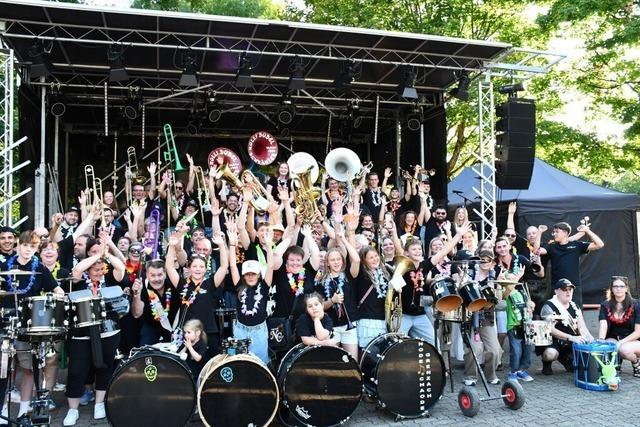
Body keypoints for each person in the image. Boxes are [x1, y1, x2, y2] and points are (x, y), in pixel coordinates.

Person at [0, 231, 64, 419]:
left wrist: (52, 299)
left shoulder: (40, 269)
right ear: (18, 245)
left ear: (36, 249)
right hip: (6, 323)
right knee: (3, 370)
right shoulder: (4, 266)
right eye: (25, 245)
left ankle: (23, 411)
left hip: (28, 326)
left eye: (32, 247)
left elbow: (58, 291)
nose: (28, 249)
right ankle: (3, 410)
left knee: (28, 369)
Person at [63, 242, 126, 426]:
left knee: (105, 367)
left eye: (101, 269)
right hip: (81, 331)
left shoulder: (110, 278)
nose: (99, 272)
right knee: (76, 370)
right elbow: (77, 270)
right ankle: (73, 410)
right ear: (88, 270)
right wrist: (98, 256)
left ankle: (99, 403)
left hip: (109, 330)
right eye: (95, 270)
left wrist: (107, 255)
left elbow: (121, 267)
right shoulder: (80, 279)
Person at [540, 221, 604, 307]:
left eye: (557, 232)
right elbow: (538, 251)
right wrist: (539, 232)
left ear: (565, 233)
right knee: (556, 312)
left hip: (573, 286)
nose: (554, 234)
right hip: (557, 286)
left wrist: (587, 231)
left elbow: (600, 244)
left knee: (576, 311)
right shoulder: (551, 246)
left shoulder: (576, 245)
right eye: (553, 232)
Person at [538, 278, 594, 375]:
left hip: (571, 341)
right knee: (550, 354)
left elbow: (582, 327)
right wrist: (571, 337)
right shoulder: (549, 306)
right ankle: (547, 363)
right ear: (556, 291)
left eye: (570, 289)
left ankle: (566, 358)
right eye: (564, 289)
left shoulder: (575, 306)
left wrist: (590, 340)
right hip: (553, 341)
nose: (568, 292)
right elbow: (550, 329)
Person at [229, 251, 274, 365]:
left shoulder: (264, 287)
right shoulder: (239, 286)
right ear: (243, 276)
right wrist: (232, 245)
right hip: (240, 331)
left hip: (259, 332)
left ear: (258, 275)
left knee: (260, 364)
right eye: (247, 274)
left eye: (253, 274)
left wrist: (269, 246)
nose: (250, 277)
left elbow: (270, 266)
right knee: (240, 362)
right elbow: (233, 266)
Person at [597, 276, 640, 377]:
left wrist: (621, 342)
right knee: (607, 346)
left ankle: (636, 363)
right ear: (611, 289)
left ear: (626, 288)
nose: (618, 289)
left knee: (623, 349)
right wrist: (601, 339)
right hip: (614, 338)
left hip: (634, 340)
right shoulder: (605, 305)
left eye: (621, 286)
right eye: (615, 286)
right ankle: (616, 362)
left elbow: (638, 332)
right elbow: (603, 324)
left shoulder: (636, 304)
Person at [505, 273, 535, 382]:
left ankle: (521, 370)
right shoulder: (505, 294)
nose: (512, 281)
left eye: (513, 279)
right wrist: (517, 277)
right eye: (509, 279)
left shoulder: (521, 292)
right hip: (513, 326)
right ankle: (513, 372)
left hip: (525, 325)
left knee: (528, 350)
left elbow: (529, 306)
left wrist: (531, 306)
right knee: (516, 351)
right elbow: (508, 289)